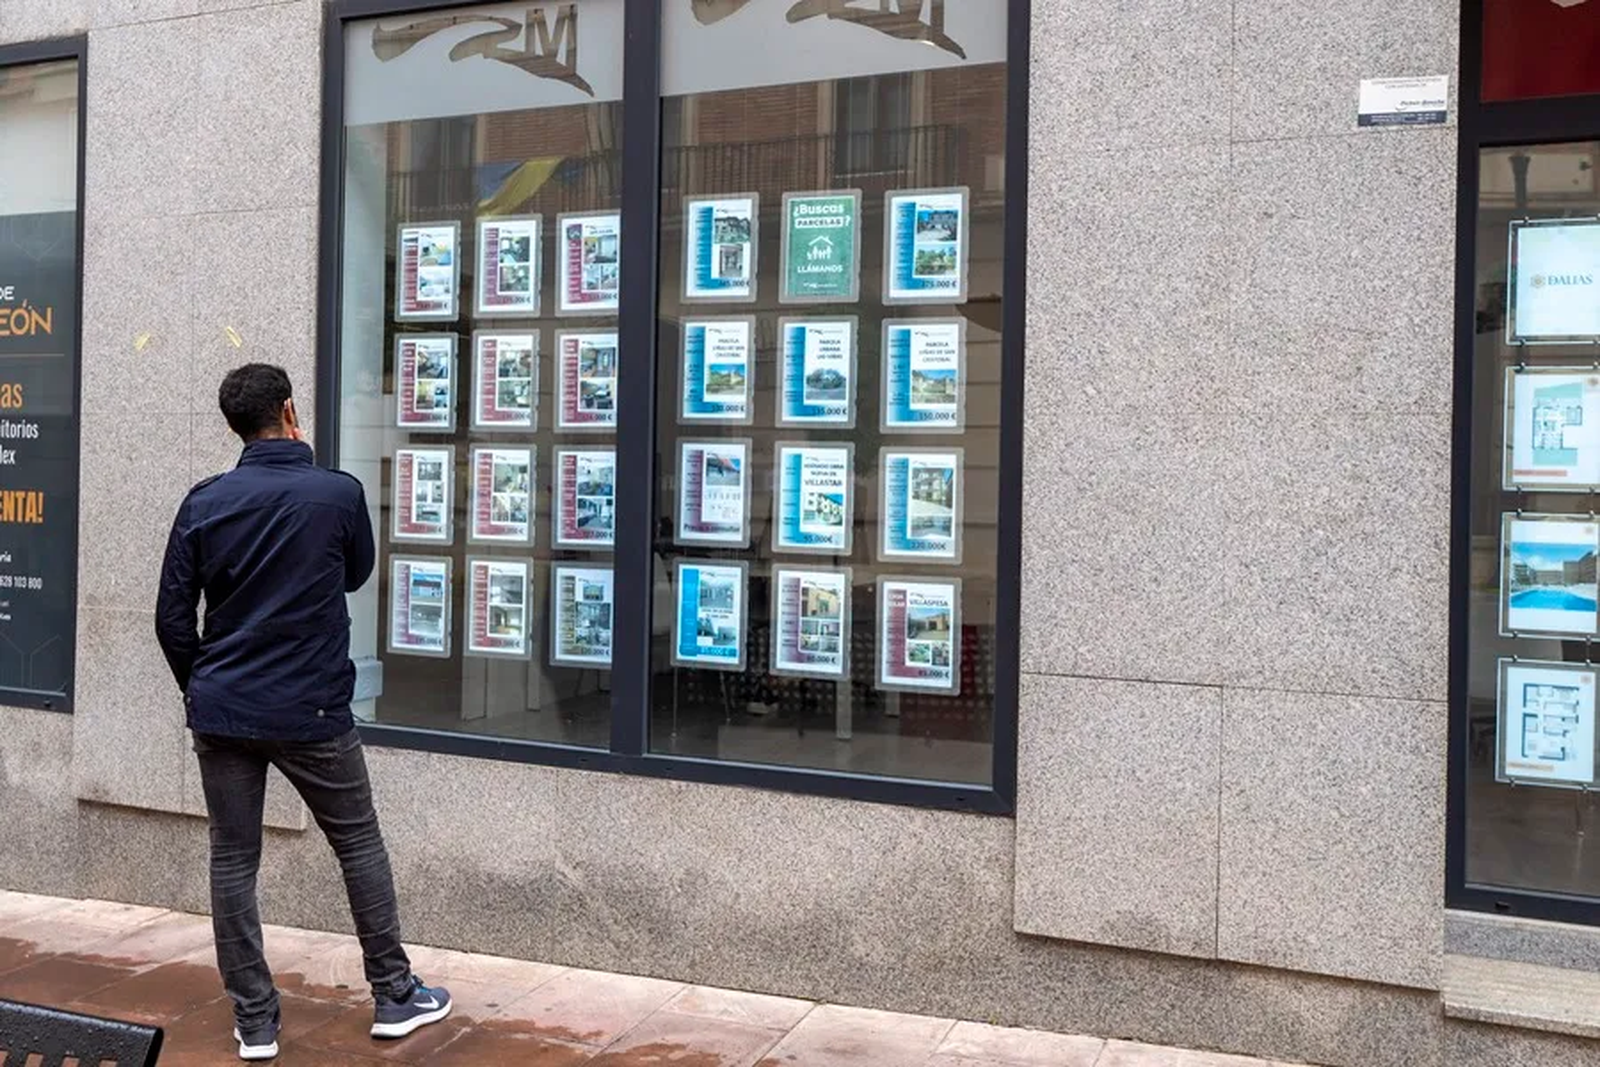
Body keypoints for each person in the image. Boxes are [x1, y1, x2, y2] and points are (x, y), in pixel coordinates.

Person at [155, 364, 451, 1062]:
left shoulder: (205, 501)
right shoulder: (337, 494)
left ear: (235, 425)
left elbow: (171, 618)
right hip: (314, 706)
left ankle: (255, 1020)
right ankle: (394, 993)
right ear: (290, 409)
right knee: (358, 844)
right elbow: (354, 573)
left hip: (224, 709)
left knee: (233, 858)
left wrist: (202, 687)